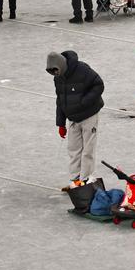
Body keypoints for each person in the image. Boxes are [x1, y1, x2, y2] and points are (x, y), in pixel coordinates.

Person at [47, 50, 105, 188]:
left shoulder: (82, 70)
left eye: (56, 70)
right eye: (52, 71)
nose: (55, 73)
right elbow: (60, 100)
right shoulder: (58, 78)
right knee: (73, 149)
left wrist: (83, 102)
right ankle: (75, 181)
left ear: (61, 64)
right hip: (73, 119)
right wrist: (60, 124)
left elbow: (99, 85)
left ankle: (85, 180)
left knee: (87, 150)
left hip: (89, 115)